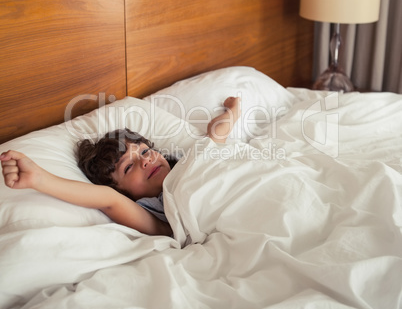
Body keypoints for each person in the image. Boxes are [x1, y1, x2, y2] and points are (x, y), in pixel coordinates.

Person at [0, 97, 241, 236]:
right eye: (129, 167)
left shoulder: (190, 161)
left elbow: (216, 134)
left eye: (145, 151)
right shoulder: (156, 215)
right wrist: (40, 179)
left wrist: (233, 109)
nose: (146, 160)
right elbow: (107, 199)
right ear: (123, 193)